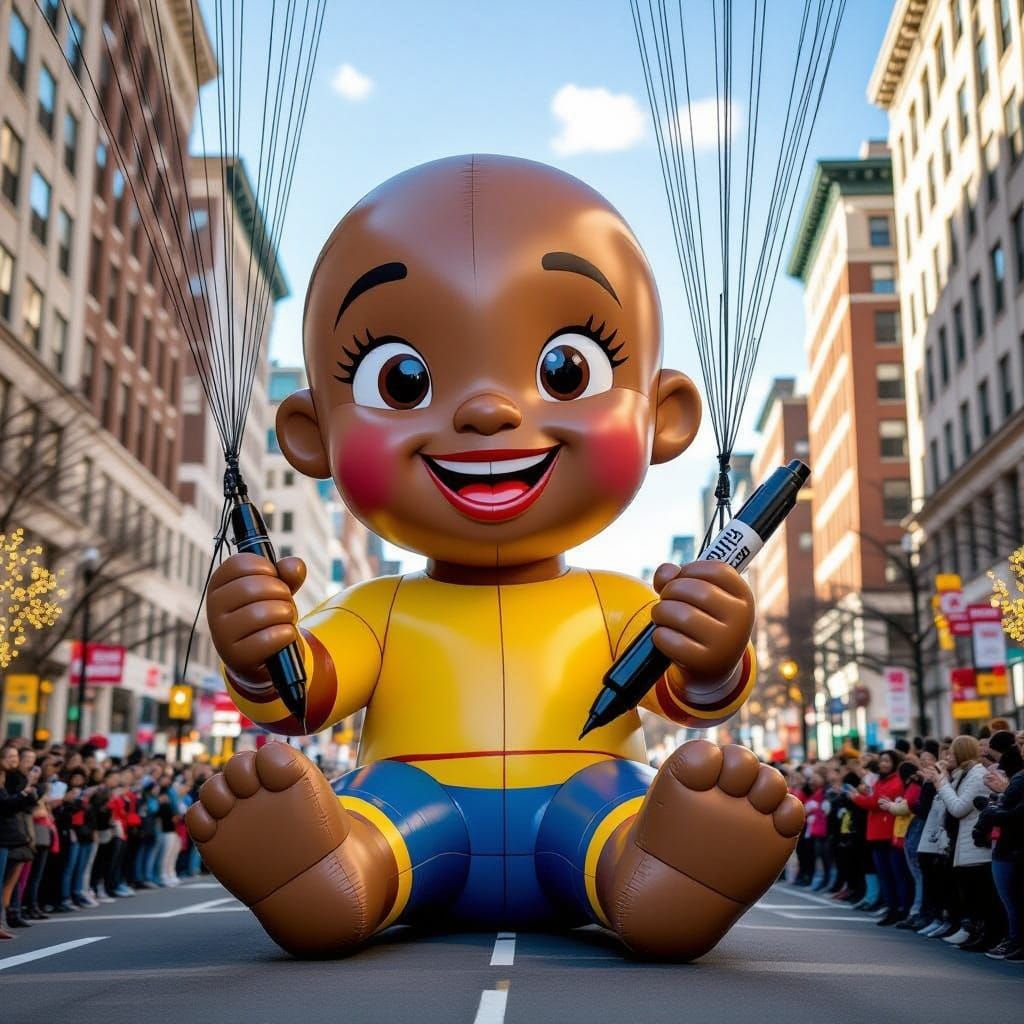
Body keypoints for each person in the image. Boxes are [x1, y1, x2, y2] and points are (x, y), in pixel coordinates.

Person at [188, 155, 806, 961]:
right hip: (415, 801)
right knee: (379, 811)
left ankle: (658, 871)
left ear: (665, 416)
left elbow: (689, 696)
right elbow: (306, 696)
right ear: (312, 435)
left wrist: (714, 649)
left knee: (616, 806)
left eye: (565, 370)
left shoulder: (617, 602)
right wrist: (258, 647)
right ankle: (334, 871)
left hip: (585, 794)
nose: (487, 410)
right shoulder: (379, 608)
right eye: (403, 380)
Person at [932, 735, 1000, 950]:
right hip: (962, 845)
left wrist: (942, 784)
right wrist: (946, 780)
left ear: (962, 752)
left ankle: (988, 936)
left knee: (982, 896)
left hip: (975, 847)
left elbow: (958, 808)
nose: (947, 757)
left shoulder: (977, 775)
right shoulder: (963, 774)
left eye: (951, 752)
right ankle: (977, 933)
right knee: (971, 895)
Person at [978, 730, 1024, 962]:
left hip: (1013, 845)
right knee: (1010, 898)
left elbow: (1015, 812)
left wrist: (994, 809)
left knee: (1013, 899)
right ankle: (1013, 940)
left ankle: (1016, 941)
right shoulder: (1019, 775)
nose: (1020, 748)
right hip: (1008, 843)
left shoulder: (1018, 777)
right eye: (1020, 744)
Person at [853, 750, 909, 925]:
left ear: (895, 763)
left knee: (896, 875)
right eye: (882, 761)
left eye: (887, 761)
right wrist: (864, 794)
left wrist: (856, 797)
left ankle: (901, 909)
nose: (883, 764)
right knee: (885, 874)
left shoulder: (896, 781)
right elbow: (874, 799)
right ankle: (891, 908)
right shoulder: (880, 780)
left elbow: (876, 801)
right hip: (876, 833)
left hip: (889, 833)